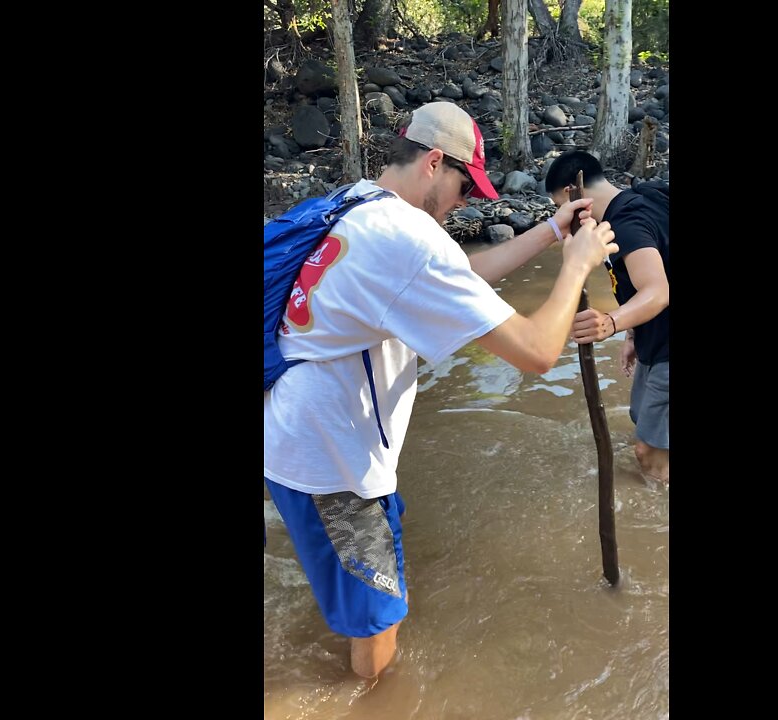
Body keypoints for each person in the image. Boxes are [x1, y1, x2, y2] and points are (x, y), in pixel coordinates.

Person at [264, 102, 617, 679]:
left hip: (299, 435)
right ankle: (369, 702)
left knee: (360, 591)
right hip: (332, 461)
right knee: (379, 621)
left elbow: (466, 279)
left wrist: (552, 233)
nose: (464, 202)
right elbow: (535, 351)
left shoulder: (360, 203)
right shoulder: (407, 241)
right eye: (462, 186)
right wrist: (576, 267)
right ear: (433, 162)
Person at [543, 151, 670, 484]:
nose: (565, 219)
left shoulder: (628, 223)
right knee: (642, 421)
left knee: (650, 454)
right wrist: (632, 334)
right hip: (655, 340)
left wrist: (611, 322)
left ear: (575, 191)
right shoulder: (647, 196)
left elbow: (657, 291)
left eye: (562, 207)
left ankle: (653, 530)